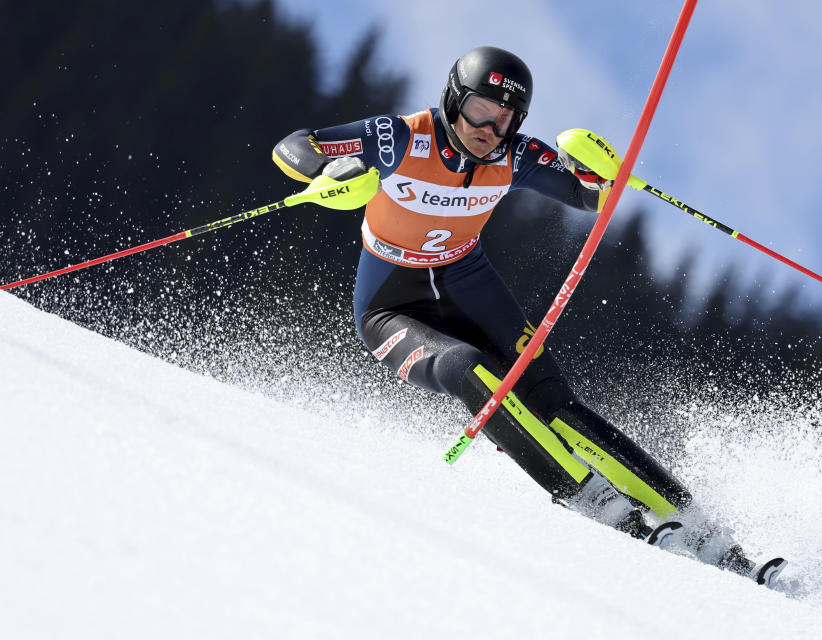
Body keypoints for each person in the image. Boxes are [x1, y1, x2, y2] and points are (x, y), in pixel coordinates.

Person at [272, 46, 767, 577]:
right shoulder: (400, 137)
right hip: (391, 307)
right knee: (467, 369)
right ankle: (595, 503)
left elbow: (587, 196)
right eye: (482, 108)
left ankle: (700, 527)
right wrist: (328, 168)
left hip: (469, 285)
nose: (491, 127)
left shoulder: (514, 155)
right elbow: (292, 147)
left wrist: (601, 172)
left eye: (506, 117)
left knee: (550, 399)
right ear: (455, 99)